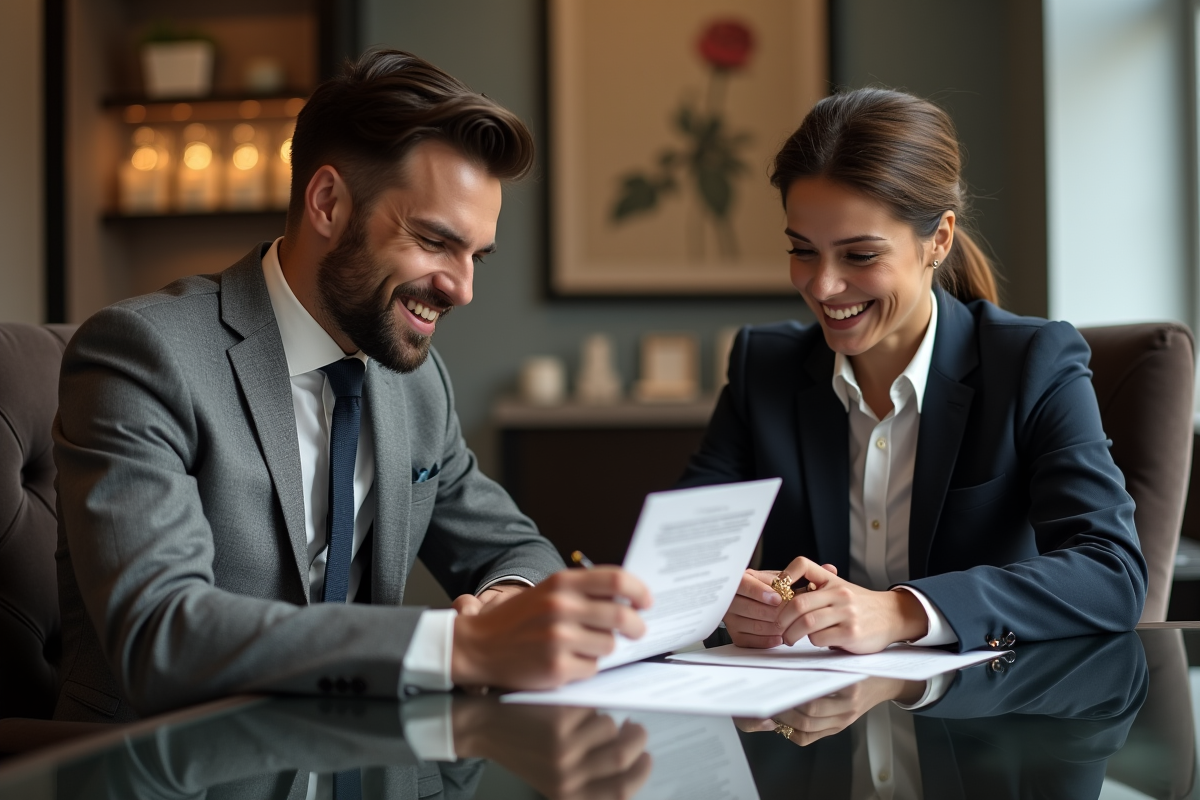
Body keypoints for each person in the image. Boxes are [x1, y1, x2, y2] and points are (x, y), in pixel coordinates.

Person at [52, 49, 650, 724]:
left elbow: (515, 550)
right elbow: (160, 635)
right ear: (329, 204)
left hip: (358, 754)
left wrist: (506, 599)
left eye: (475, 256)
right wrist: (460, 647)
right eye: (434, 241)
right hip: (159, 760)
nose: (462, 289)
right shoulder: (143, 355)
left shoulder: (418, 384)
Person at [679, 87, 1146, 655]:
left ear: (938, 239)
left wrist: (903, 610)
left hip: (987, 705)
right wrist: (726, 597)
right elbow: (684, 558)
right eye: (802, 251)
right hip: (811, 703)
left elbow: (1111, 574)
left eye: (860, 255)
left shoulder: (1032, 362)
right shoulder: (764, 366)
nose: (822, 285)